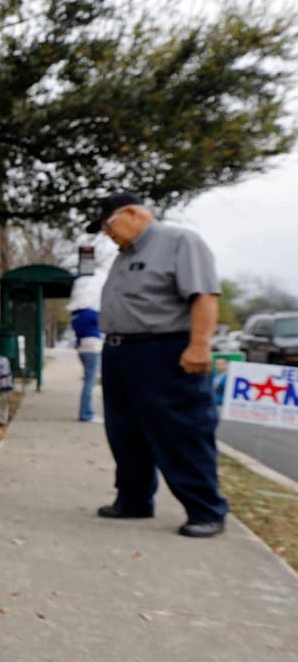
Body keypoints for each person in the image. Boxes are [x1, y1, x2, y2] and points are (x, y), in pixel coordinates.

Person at [86, 191, 228, 538]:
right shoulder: (124, 255)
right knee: (124, 433)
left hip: (164, 351)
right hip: (120, 353)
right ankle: (134, 499)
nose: (107, 233)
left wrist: (199, 345)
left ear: (132, 213)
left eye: (108, 224)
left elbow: (204, 295)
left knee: (181, 432)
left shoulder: (179, 241)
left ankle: (205, 509)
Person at [67, 275, 103, 422]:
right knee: (90, 382)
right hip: (92, 347)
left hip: (82, 348)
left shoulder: (76, 316)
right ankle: (86, 414)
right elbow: (107, 322)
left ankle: (86, 412)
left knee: (88, 381)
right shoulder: (91, 314)